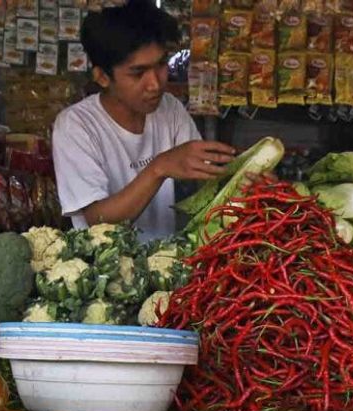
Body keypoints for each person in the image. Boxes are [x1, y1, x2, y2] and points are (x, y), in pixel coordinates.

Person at [51, 0, 235, 241]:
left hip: (166, 265)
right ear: (103, 77)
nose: (155, 84)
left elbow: (207, 174)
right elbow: (97, 219)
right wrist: (158, 168)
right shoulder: (76, 126)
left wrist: (245, 177)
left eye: (161, 65)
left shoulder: (170, 109)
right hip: (105, 270)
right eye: (138, 73)